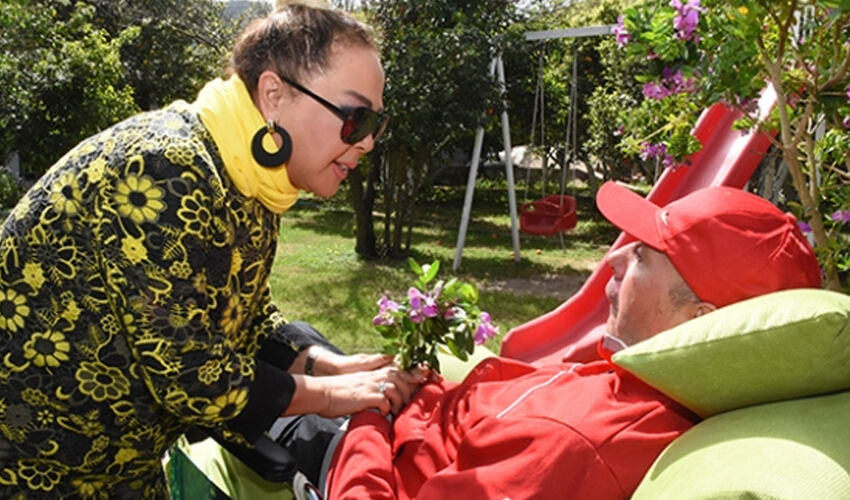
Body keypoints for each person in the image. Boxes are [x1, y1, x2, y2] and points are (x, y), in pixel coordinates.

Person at [0, 3, 422, 498]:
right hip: (31, 469)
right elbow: (188, 371)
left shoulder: (250, 181)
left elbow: (244, 320)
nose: (368, 142)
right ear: (273, 95)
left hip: (116, 468)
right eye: (355, 118)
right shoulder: (163, 166)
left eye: (378, 123)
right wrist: (329, 397)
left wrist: (330, 365)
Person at [322, 181, 823, 500]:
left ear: (698, 317)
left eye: (644, 257)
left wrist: (368, 419)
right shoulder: (641, 375)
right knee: (298, 344)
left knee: (265, 381)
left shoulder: (576, 445)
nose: (615, 259)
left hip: (367, 453)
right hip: (413, 414)